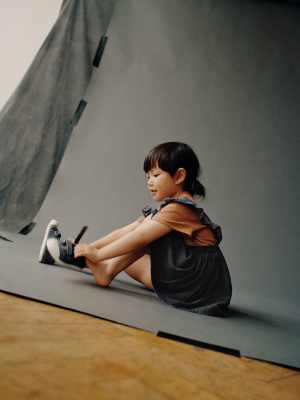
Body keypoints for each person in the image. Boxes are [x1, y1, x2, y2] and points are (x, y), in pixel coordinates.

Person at [40, 142, 232, 317]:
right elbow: (126, 231)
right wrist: (87, 248)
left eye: (156, 175)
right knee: (129, 240)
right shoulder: (167, 208)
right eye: (148, 176)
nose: (149, 181)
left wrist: (97, 254)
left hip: (199, 286)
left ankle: (104, 268)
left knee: (147, 236)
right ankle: (86, 261)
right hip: (188, 281)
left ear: (179, 176)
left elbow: (140, 238)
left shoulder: (181, 208)